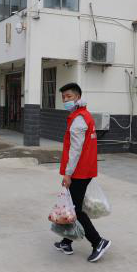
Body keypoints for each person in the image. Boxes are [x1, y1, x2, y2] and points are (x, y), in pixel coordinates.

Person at [53, 83, 111, 262]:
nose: (65, 100)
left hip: (78, 172)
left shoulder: (78, 119)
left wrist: (68, 173)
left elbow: (75, 150)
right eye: (63, 97)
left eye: (69, 96)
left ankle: (98, 242)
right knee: (73, 206)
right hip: (85, 170)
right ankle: (67, 241)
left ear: (77, 97)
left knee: (76, 210)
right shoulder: (84, 115)